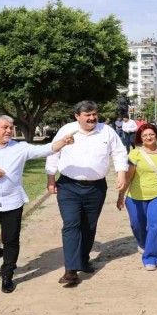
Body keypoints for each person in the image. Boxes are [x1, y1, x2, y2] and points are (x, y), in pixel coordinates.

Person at [0, 115, 75, 293]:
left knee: (11, 240)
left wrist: (62, 142)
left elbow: (45, 149)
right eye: (5, 127)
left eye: (10, 127)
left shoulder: (20, 148)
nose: (9, 130)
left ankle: (7, 275)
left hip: (12, 202)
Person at [46, 101, 128, 285]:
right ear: (77, 116)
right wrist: (50, 178)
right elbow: (53, 153)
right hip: (68, 187)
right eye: (87, 115)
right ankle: (70, 270)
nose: (92, 118)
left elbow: (119, 153)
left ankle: (83, 259)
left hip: (96, 187)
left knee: (89, 226)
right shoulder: (67, 130)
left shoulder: (106, 131)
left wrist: (121, 174)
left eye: (94, 114)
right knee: (71, 224)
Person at [117, 123, 157, 271]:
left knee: (155, 224)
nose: (148, 137)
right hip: (135, 196)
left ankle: (151, 258)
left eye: (151, 134)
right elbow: (128, 177)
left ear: (156, 135)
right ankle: (143, 243)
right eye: (144, 135)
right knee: (136, 225)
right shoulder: (135, 154)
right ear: (140, 138)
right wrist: (121, 195)